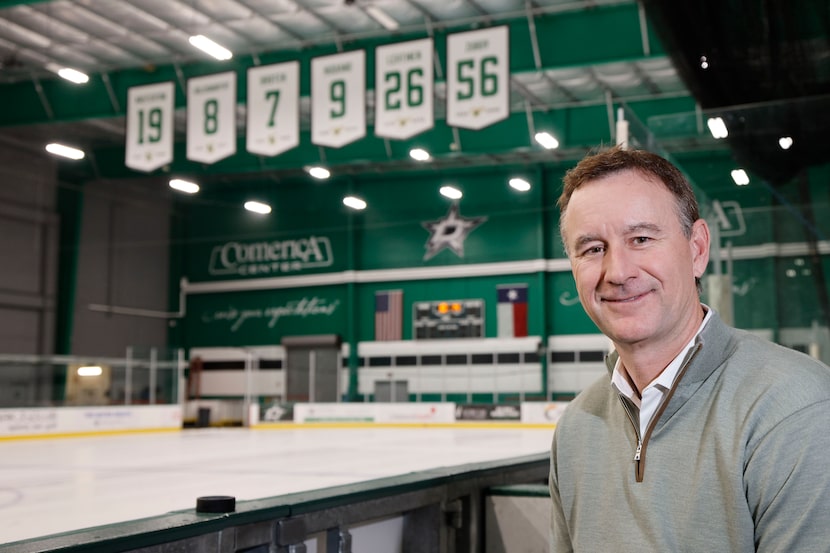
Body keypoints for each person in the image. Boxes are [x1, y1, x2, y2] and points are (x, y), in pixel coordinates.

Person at [549, 146, 830, 552]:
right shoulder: (577, 426)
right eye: (593, 249)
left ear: (697, 249)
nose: (618, 272)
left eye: (641, 238)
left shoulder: (796, 409)